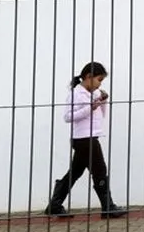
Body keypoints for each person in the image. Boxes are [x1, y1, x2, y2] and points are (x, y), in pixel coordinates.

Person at [44, 62, 128, 219]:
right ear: (88, 77)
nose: (100, 84)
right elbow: (68, 117)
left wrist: (102, 101)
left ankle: (54, 205)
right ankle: (108, 207)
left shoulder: (94, 93)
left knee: (75, 172)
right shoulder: (76, 94)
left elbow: (101, 114)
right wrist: (90, 107)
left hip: (91, 136)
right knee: (99, 170)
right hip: (84, 139)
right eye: (99, 80)